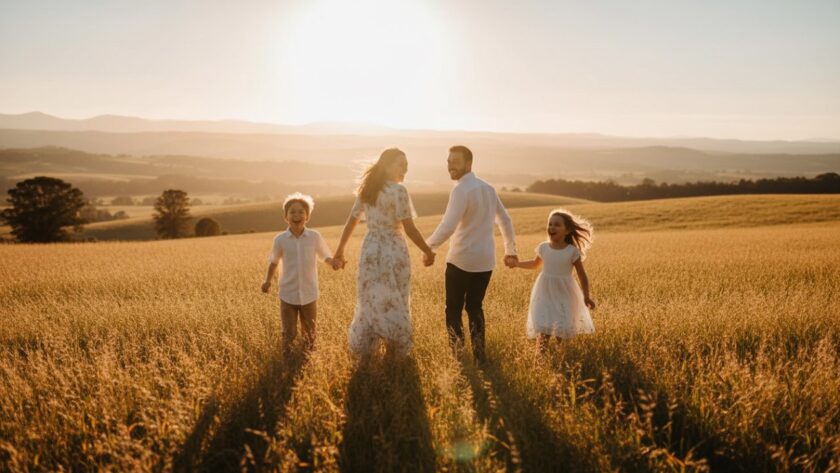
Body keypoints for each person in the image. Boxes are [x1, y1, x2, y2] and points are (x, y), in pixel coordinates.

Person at [333, 148, 435, 358]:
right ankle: (393, 354)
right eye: (401, 164)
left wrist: (340, 251)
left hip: (370, 250)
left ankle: (366, 355)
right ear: (387, 166)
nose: (405, 169)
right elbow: (409, 228)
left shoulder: (368, 190)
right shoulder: (399, 191)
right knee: (395, 298)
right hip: (394, 250)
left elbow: (351, 221)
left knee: (369, 299)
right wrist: (427, 251)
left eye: (406, 165)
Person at [425, 145, 518, 362]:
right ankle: (479, 356)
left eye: (455, 161)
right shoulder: (488, 188)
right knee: (475, 307)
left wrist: (428, 247)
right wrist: (510, 250)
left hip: (461, 260)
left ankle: (458, 356)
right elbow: (505, 219)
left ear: (468, 164)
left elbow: (448, 225)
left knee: (453, 310)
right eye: (448, 162)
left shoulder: (460, 190)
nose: (450, 166)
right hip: (485, 262)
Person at [261, 193, 338, 355]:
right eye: (292, 212)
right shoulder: (280, 240)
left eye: (301, 212)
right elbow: (273, 261)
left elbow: (325, 257)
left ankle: (309, 362)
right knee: (289, 334)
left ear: (307, 216)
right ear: (286, 217)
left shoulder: (314, 237)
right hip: (287, 294)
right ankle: (286, 361)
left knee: (310, 334)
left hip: (309, 294)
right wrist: (267, 281)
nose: (297, 215)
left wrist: (334, 263)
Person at [514, 208, 596, 354]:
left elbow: (582, 275)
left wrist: (586, 296)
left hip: (564, 293)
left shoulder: (572, 251)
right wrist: (517, 264)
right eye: (550, 224)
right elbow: (534, 264)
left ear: (568, 230)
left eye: (557, 225)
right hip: (545, 292)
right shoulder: (544, 247)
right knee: (543, 329)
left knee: (560, 331)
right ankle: (538, 362)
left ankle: (560, 359)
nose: (552, 227)